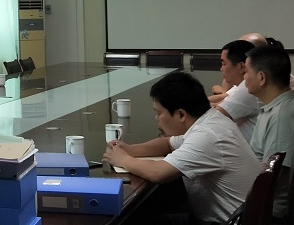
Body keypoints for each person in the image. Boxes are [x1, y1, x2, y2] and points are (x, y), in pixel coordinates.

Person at [103, 72, 260, 225]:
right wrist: (130, 150)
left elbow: (158, 173)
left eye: (159, 113)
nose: (156, 119)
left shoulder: (207, 135)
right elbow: (167, 144)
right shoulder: (210, 121)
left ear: (181, 115)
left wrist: (123, 159)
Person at [244, 44, 294, 221]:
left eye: (246, 72)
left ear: (261, 78)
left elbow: (272, 179)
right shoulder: (279, 107)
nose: (244, 77)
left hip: (269, 212)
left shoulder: (282, 117)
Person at [209, 39, 261, 142]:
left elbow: (214, 115)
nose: (221, 69)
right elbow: (220, 101)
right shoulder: (241, 86)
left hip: (249, 150)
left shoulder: (248, 89)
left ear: (241, 66)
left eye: (224, 64)